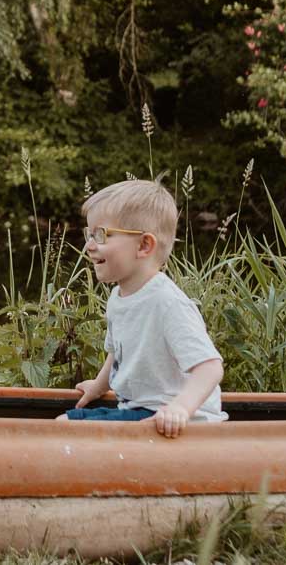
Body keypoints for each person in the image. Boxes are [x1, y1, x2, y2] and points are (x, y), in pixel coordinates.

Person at [58, 177, 226, 437]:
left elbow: (210, 367)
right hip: (139, 410)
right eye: (89, 234)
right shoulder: (118, 297)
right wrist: (100, 386)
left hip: (173, 419)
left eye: (101, 234)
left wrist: (180, 409)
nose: (89, 245)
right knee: (60, 423)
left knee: (64, 428)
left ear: (144, 245)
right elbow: (118, 352)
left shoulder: (167, 302)